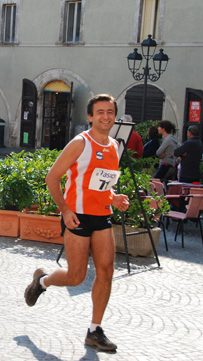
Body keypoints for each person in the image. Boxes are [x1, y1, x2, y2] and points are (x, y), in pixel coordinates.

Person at [24, 94, 129, 352]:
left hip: (102, 216)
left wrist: (113, 198)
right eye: (100, 112)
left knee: (106, 271)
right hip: (77, 217)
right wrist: (65, 210)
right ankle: (42, 282)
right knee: (76, 276)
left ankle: (95, 330)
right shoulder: (80, 143)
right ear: (90, 116)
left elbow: (100, 184)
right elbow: (52, 178)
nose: (106, 116)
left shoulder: (115, 146)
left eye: (110, 112)